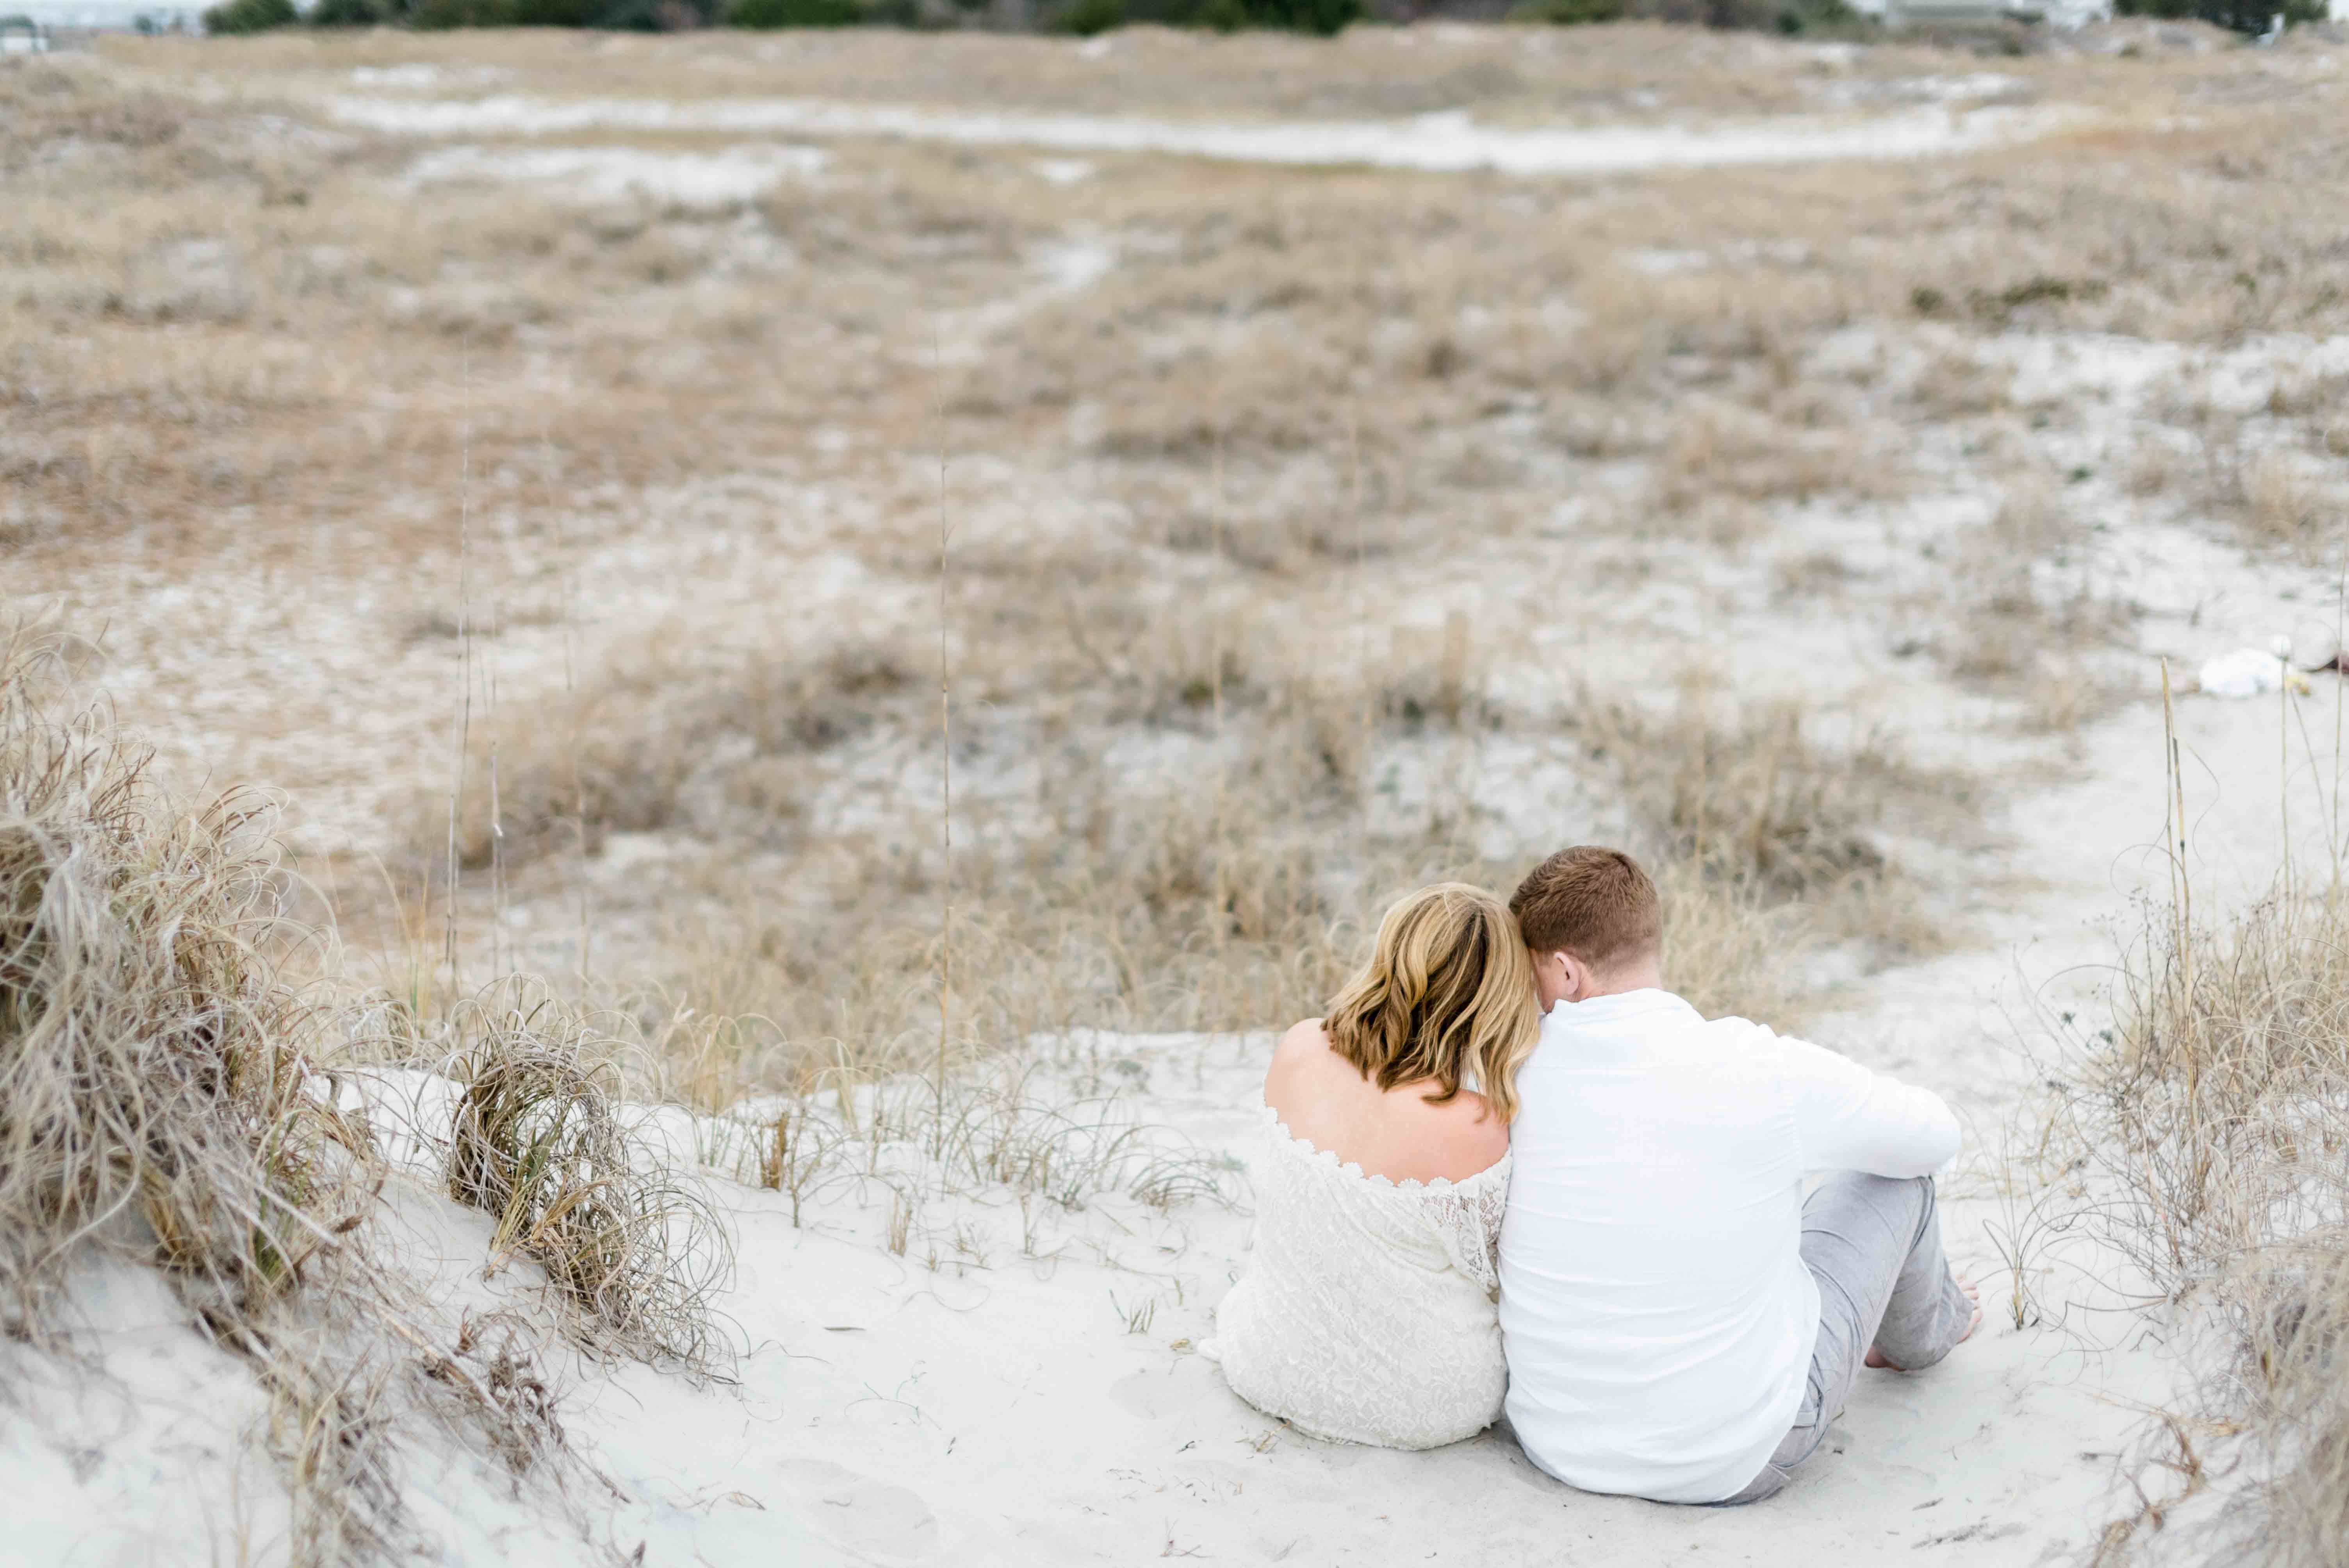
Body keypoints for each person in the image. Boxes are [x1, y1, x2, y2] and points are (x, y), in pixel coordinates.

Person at [1498, 846, 1981, 1505]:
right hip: (1734, 1458)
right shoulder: (1753, 1065)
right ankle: (1925, 1337)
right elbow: (1936, 1136)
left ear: (1565, 971)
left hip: (1557, 1445)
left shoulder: (1508, 1075)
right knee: (1897, 1180)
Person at [1201, 883, 1543, 1449]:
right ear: (1495, 995)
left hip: (1265, 1361)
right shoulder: (1474, 1123)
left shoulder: (1298, 1047)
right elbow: (1493, 1272)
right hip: (1423, 1408)